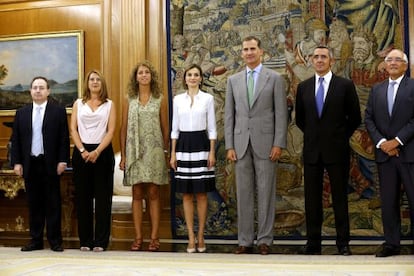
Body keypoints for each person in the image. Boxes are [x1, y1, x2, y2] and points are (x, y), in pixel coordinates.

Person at [224, 35, 288, 255]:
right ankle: (244, 240)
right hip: (240, 144)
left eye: (253, 48)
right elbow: (229, 116)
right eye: (245, 49)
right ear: (241, 53)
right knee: (243, 193)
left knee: (266, 191)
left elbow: (281, 114)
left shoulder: (275, 79)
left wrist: (279, 143)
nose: (249, 52)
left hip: (267, 143)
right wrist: (230, 145)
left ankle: (264, 240)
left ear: (261, 52)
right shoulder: (233, 80)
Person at [295, 46, 361, 255]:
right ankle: (313, 243)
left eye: (324, 56)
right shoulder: (303, 87)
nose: (320, 60)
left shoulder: (345, 85)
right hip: (312, 151)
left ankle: (343, 243)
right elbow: (300, 120)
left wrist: (339, 137)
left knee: (340, 198)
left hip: (337, 150)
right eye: (316, 57)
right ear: (311, 61)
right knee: (312, 199)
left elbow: (355, 118)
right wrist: (316, 136)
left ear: (331, 61)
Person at [11, 76, 70, 252]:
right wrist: (16, 163)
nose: (38, 90)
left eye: (41, 87)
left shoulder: (58, 112)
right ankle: (35, 241)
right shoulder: (21, 113)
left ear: (48, 91)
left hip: (50, 164)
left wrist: (63, 160)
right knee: (34, 204)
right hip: (29, 164)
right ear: (30, 91)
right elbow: (16, 140)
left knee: (53, 204)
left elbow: (63, 139)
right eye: (35, 87)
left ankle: (55, 241)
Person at [365, 49, 414, 257]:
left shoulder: (413, 86)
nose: (393, 63)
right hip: (385, 155)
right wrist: (383, 142)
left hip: (409, 153)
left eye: (397, 60)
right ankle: (391, 244)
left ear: (405, 64)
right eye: (389, 60)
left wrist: (397, 141)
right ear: (384, 65)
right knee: (388, 202)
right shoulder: (377, 89)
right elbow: (368, 118)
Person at [119, 61, 169, 252]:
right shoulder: (128, 99)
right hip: (134, 153)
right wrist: (123, 155)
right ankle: (138, 237)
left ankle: (155, 238)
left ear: (151, 76)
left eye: (147, 72)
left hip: (154, 152)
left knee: (154, 193)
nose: (144, 75)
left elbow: (165, 128)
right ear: (136, 77)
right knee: (137, 193)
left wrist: (165, 152)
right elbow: (123, 129)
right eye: (140, 72)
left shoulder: (160, 99)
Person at [170, 64, 217, 253]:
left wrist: (212, 152)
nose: (192, 78)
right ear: (185, 78)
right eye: (189, 75)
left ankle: (201, 236)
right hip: (182, 146)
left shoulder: (208, 99)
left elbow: (212, 128)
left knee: (201, 193)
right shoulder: (177, 100)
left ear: (200, 78)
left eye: (196, 75)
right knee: (187, 194)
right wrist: (173, 153)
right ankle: (190, 237)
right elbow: (174, 128)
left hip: (201, 145)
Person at [70, 70, 116, 252]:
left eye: (98, 79)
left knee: (103, 199)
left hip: (102, 153)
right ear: (87, 83)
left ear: (102, 83)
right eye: (91, 79)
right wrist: (82, 150)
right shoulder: (78, 103)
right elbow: (73, 129)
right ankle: (86, 240)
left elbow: (111, 131)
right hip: (81, 154)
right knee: (83, 198)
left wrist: (96, 151)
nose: (95, 82)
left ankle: (101, 241)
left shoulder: (109, 104)